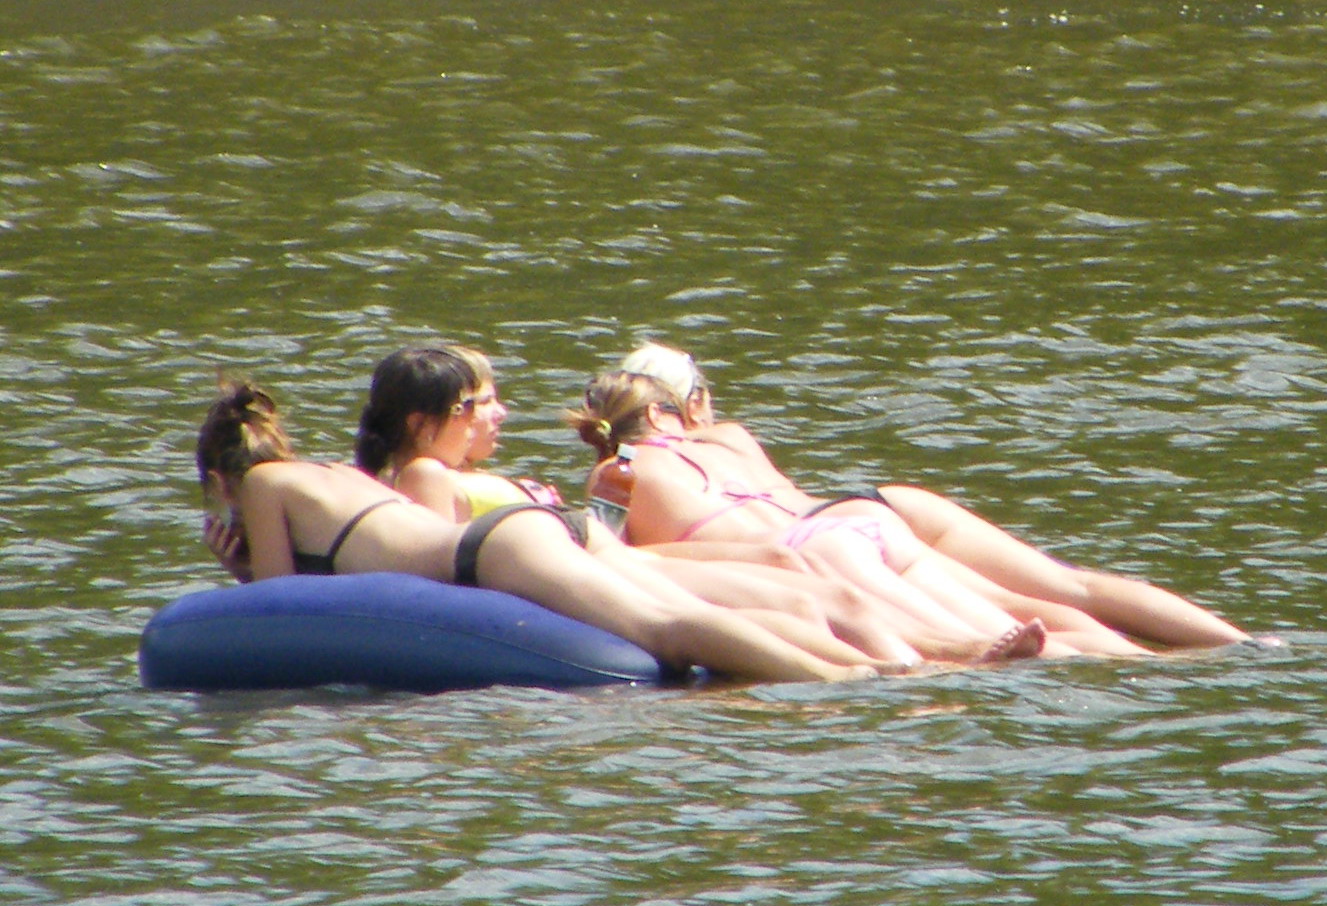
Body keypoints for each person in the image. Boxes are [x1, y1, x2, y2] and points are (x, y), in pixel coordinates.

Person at [351, 345, 1053, 667]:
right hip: (603, 570)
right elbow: (447, 571)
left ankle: (922, 650)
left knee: (795, 563)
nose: (498, 414)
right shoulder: (424, 475)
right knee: (792, 592)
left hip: (621, 555)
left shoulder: (465, 471)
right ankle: (940, 656)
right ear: (422, 421)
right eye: (477, 404)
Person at [196, 376, 915, 684]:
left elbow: (284, 605)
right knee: (681, 609)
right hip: (529, 529)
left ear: (224, 481)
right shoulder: (336, 473)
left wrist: (240, 571)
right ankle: (875, 666)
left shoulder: (262, 485)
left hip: (494, 549)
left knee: (667, 629)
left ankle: (837, 680)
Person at [579, 341, 1254, 650]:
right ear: (685, 403)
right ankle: (1240, 646)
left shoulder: (620, 470)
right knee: (1063, 591)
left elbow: (609, 558)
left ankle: (1090, 663)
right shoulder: (729, 434)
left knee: (982, 634)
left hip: (815, 543)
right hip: (869, 509)